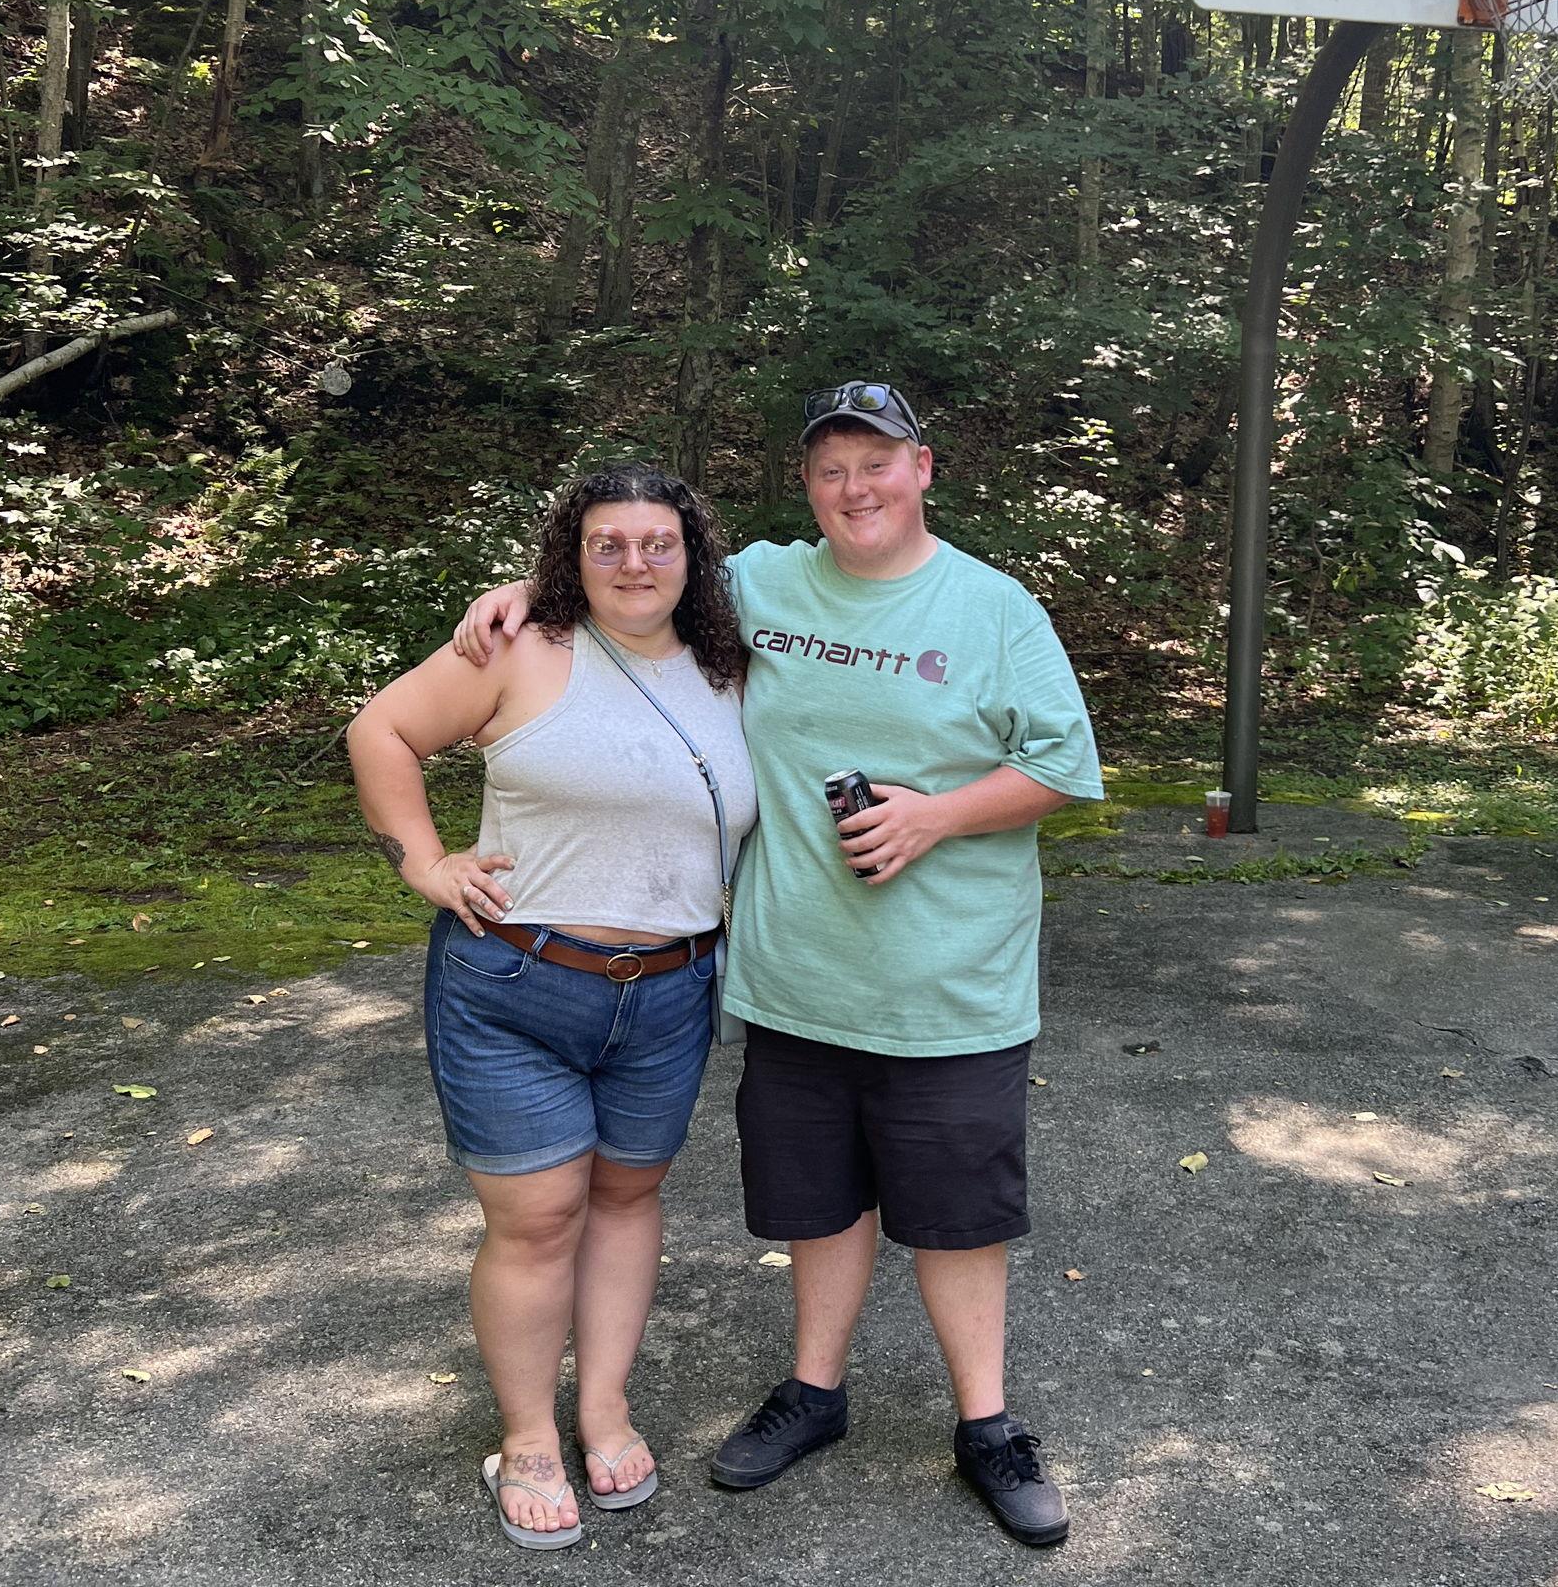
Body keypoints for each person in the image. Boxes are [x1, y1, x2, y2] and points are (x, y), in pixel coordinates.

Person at [455, 382, 1102, 1546]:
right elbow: (628, 576)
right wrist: (521, 597)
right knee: (817, 1203)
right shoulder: (758, 583)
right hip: (793, 975)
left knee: (956, 1218)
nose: (855, 488)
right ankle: (814, 1393)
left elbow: (1066, 767)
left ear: (924, 469)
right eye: (830, 470)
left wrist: (935, 817)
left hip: (950, 984)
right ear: (807, 488)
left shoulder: (993, 607)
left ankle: (987, 1425)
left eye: (877, 463)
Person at [350, 463, 755, 1552]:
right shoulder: (515, 645)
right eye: (606, 543)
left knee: (627, 1199)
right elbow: (381, 733)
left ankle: (603, 1406)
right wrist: (422, 863)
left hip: (671, 992)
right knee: (537, 1220)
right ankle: (527, 1437)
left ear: (692, 555)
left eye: (657, 542)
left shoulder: (733, 663)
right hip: (514, 983)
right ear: (568, 556)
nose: (634, 562)